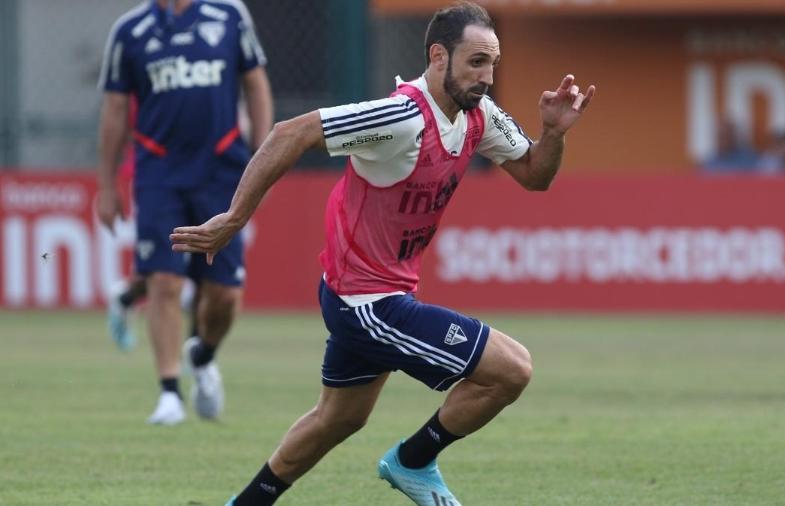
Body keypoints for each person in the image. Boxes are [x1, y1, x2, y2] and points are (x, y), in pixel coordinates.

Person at [172, 2, 594, 504]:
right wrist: (235, 219)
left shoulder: (480, 116)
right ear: (439, 57)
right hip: (365, 301)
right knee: (511, 369)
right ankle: (412, 461)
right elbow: (292, 132)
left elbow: (534, 176)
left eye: (493, 64)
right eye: (476, 62)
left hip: (375, 293)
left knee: (338, 419)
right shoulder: (402, 117)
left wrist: (552, 134)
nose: (487, 76)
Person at [96, 0, 273, 425]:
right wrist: (106, 184)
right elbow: (116, 110)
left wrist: (263, 159)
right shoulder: (129, 31)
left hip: (223, 170)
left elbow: (256, 84)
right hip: (159, 173)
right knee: (165, 280)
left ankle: (203, 355)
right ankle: (170, 393)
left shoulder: (230, 15)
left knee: (225, 294)